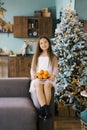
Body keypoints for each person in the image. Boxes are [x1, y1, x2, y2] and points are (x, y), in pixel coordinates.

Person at [29, 36, 58, 120]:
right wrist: (33, 75)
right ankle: (46, 110)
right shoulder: (36, 56)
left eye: (45, 42)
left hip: (48, 78)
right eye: (41, 43)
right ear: (39, 45)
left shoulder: (53, 56)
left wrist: (53, 75)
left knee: (47, 85)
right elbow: (33, 68)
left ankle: (43, 111)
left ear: (49, 43)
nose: (44, 44)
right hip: (38, 77)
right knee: (38, 84)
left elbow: (55, 68)